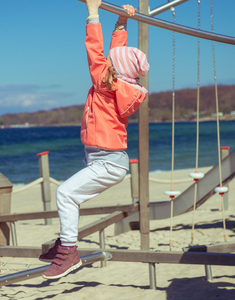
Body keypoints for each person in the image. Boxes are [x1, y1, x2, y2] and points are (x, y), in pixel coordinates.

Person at [41, 0, 149, 280]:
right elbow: (115, 56)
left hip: (107, 163)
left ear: (112, 69)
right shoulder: (121, 84)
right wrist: (121, 23)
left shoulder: (104, 82)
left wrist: (92, 12)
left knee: (65, 194)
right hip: (109, 161)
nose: (107, 61)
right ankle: (65, 244)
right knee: (70, 196)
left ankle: (69, 253)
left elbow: (95, 50)